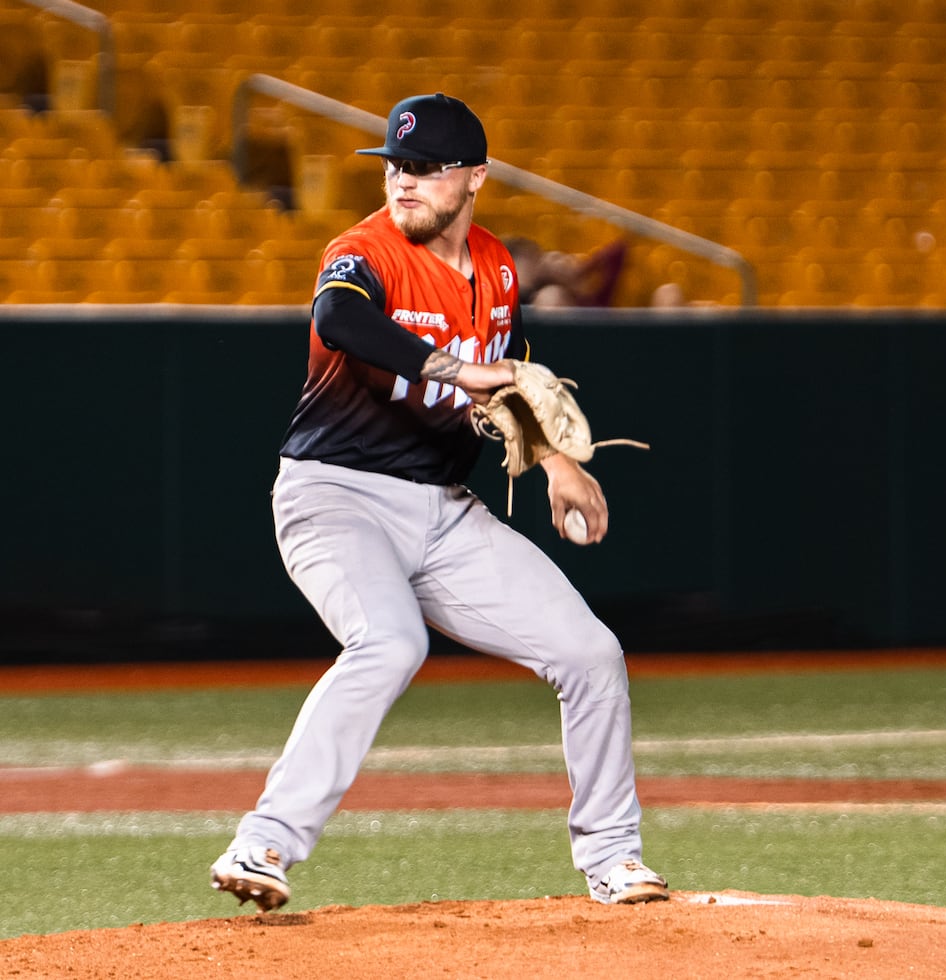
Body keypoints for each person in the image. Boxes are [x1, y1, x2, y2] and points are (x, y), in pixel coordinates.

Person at [209, 93, 668, 910]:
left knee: (591, 655)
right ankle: (267, 840)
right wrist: (457, 370)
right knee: (388, 643)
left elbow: (514, 374)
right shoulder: (363, 252)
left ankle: (615, 856)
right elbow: (340, 321)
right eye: (394, 166)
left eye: (424, 168)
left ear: (474, 179)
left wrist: (558, 462)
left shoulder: (495, 268)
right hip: (335, 497)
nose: (403, 181)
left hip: (446, 513)